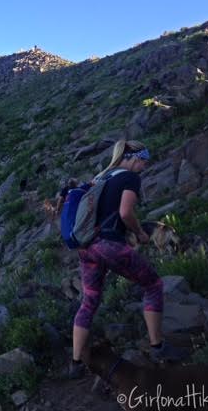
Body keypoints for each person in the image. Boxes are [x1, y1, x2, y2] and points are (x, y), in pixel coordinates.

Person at [69, 140, 186, 379]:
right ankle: (157, 347)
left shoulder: (102, 178)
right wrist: (141, 233)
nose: (144, 166)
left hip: (86, 248)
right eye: (143, 161)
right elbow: (125, 213)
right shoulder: (130, 179)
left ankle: (76, 363)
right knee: (153, 285)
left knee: (89, 302)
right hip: (110, 246)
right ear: (133, 158)